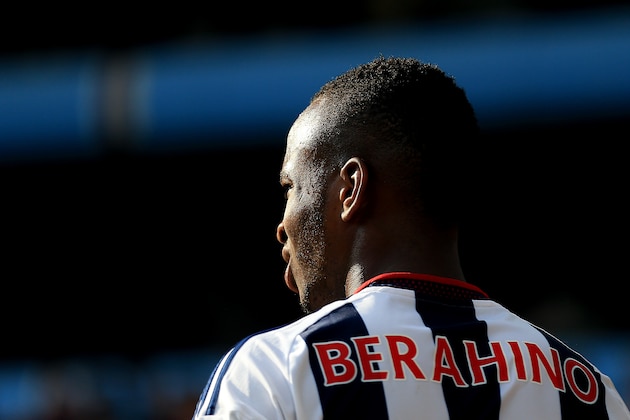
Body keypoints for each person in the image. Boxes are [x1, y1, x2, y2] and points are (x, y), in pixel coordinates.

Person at [191, 56, 630, 419]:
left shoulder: (275, 370)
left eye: (291, 189)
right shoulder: (589, 391)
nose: (281, 224)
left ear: (350, 190)